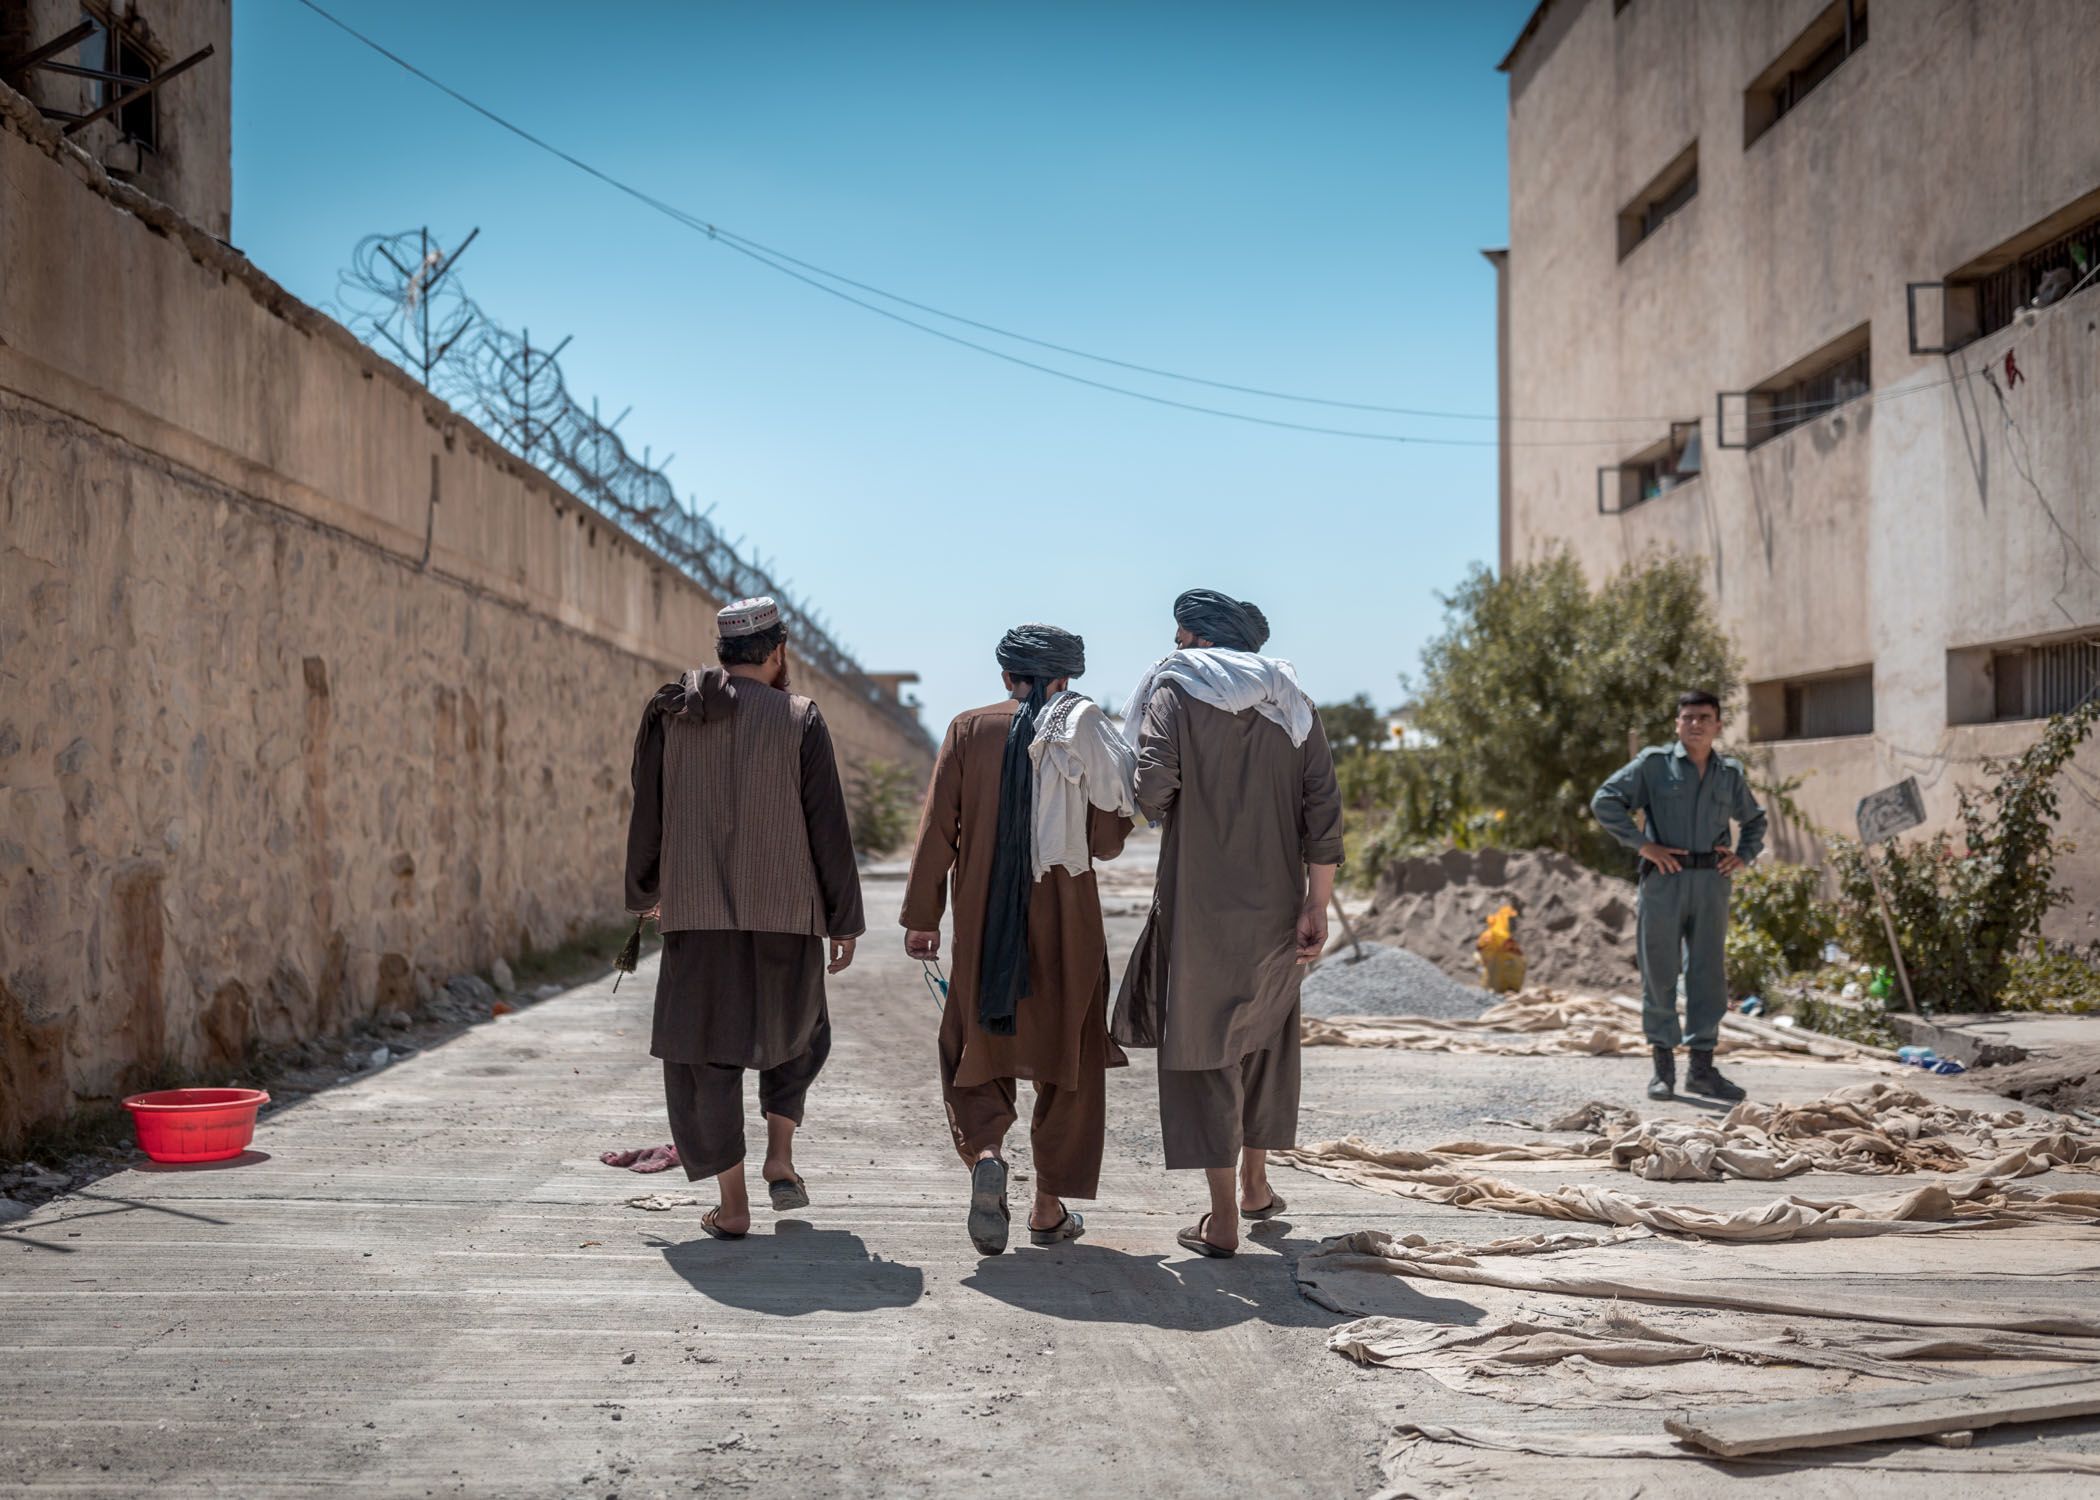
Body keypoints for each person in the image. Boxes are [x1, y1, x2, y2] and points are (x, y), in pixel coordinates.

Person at [624, 596, 864, 1240]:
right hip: (787, 912)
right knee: (799, 1029)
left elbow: (646, 806)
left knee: (704, 1053)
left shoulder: (672, 711)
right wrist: (843, 920)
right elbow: (827, 828)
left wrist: (646, 887)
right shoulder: (800, 718)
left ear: (723, 651)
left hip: (695, 913)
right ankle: (779, 1155)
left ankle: (733, 1207)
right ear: (779, 652)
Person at [1114, 590, 1343, 1258]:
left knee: (1203, 1044)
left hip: (1200, 905)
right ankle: (1254, 1184)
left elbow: (1152, 786)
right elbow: (1322, 809)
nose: (1176, 647)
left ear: (1195, 638)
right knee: (1264, 1035)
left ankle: (1221, 1220)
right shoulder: (1293, 703)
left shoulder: (1174, 691)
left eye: (1182, 637)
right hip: (1277, 903)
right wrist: (1316, 903)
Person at [902, 624, 1135, 1255]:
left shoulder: (968, 729)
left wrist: (923, 917)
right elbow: (1109, 840)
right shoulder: (1085, 729)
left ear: (1007, 676)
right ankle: (1047, 1207)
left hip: (982, 921)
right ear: (1067, 678)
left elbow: (937, 831)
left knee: (977, 1037)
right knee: (1070, 1049)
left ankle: (987, 1152)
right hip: (1067, 917)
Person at [1590, 689, 1768, 1104]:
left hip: (1711, 882)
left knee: (1707, 974)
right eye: (1687, 717)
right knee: (1660, 972)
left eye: (1704, 717)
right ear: (1677, 724)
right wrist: (1642, 845)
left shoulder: (1729, 774)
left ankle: (1702, 1071)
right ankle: (1663, 1071)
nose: (1695, 724)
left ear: (1718, 725)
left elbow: (1754, 820)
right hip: (1664, 882)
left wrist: (1743, 856)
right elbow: (1605, 801)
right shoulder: (1654, 766)